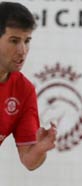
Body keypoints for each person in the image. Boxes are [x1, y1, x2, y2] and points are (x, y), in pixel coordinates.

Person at [0, 1, 56, 170]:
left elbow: (29, 160)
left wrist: (39, 149)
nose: (22, 50)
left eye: (27, 41)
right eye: (14, 40)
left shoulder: (24, 90)